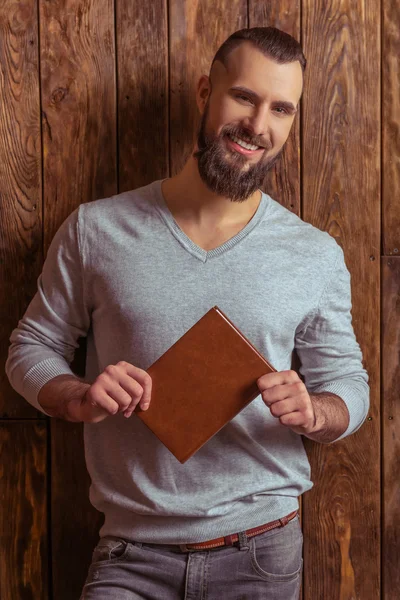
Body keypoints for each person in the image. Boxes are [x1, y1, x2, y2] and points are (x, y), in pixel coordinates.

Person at [6, 26, 369, 600]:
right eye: (244, 97)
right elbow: (31, 347)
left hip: (262, 553)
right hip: (130, 555)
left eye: (281, 109)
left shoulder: (314, 253)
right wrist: (78, 397)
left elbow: (348, 384)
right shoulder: (96, 229)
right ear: (206, 91)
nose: (258, 125)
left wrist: (315, 412)